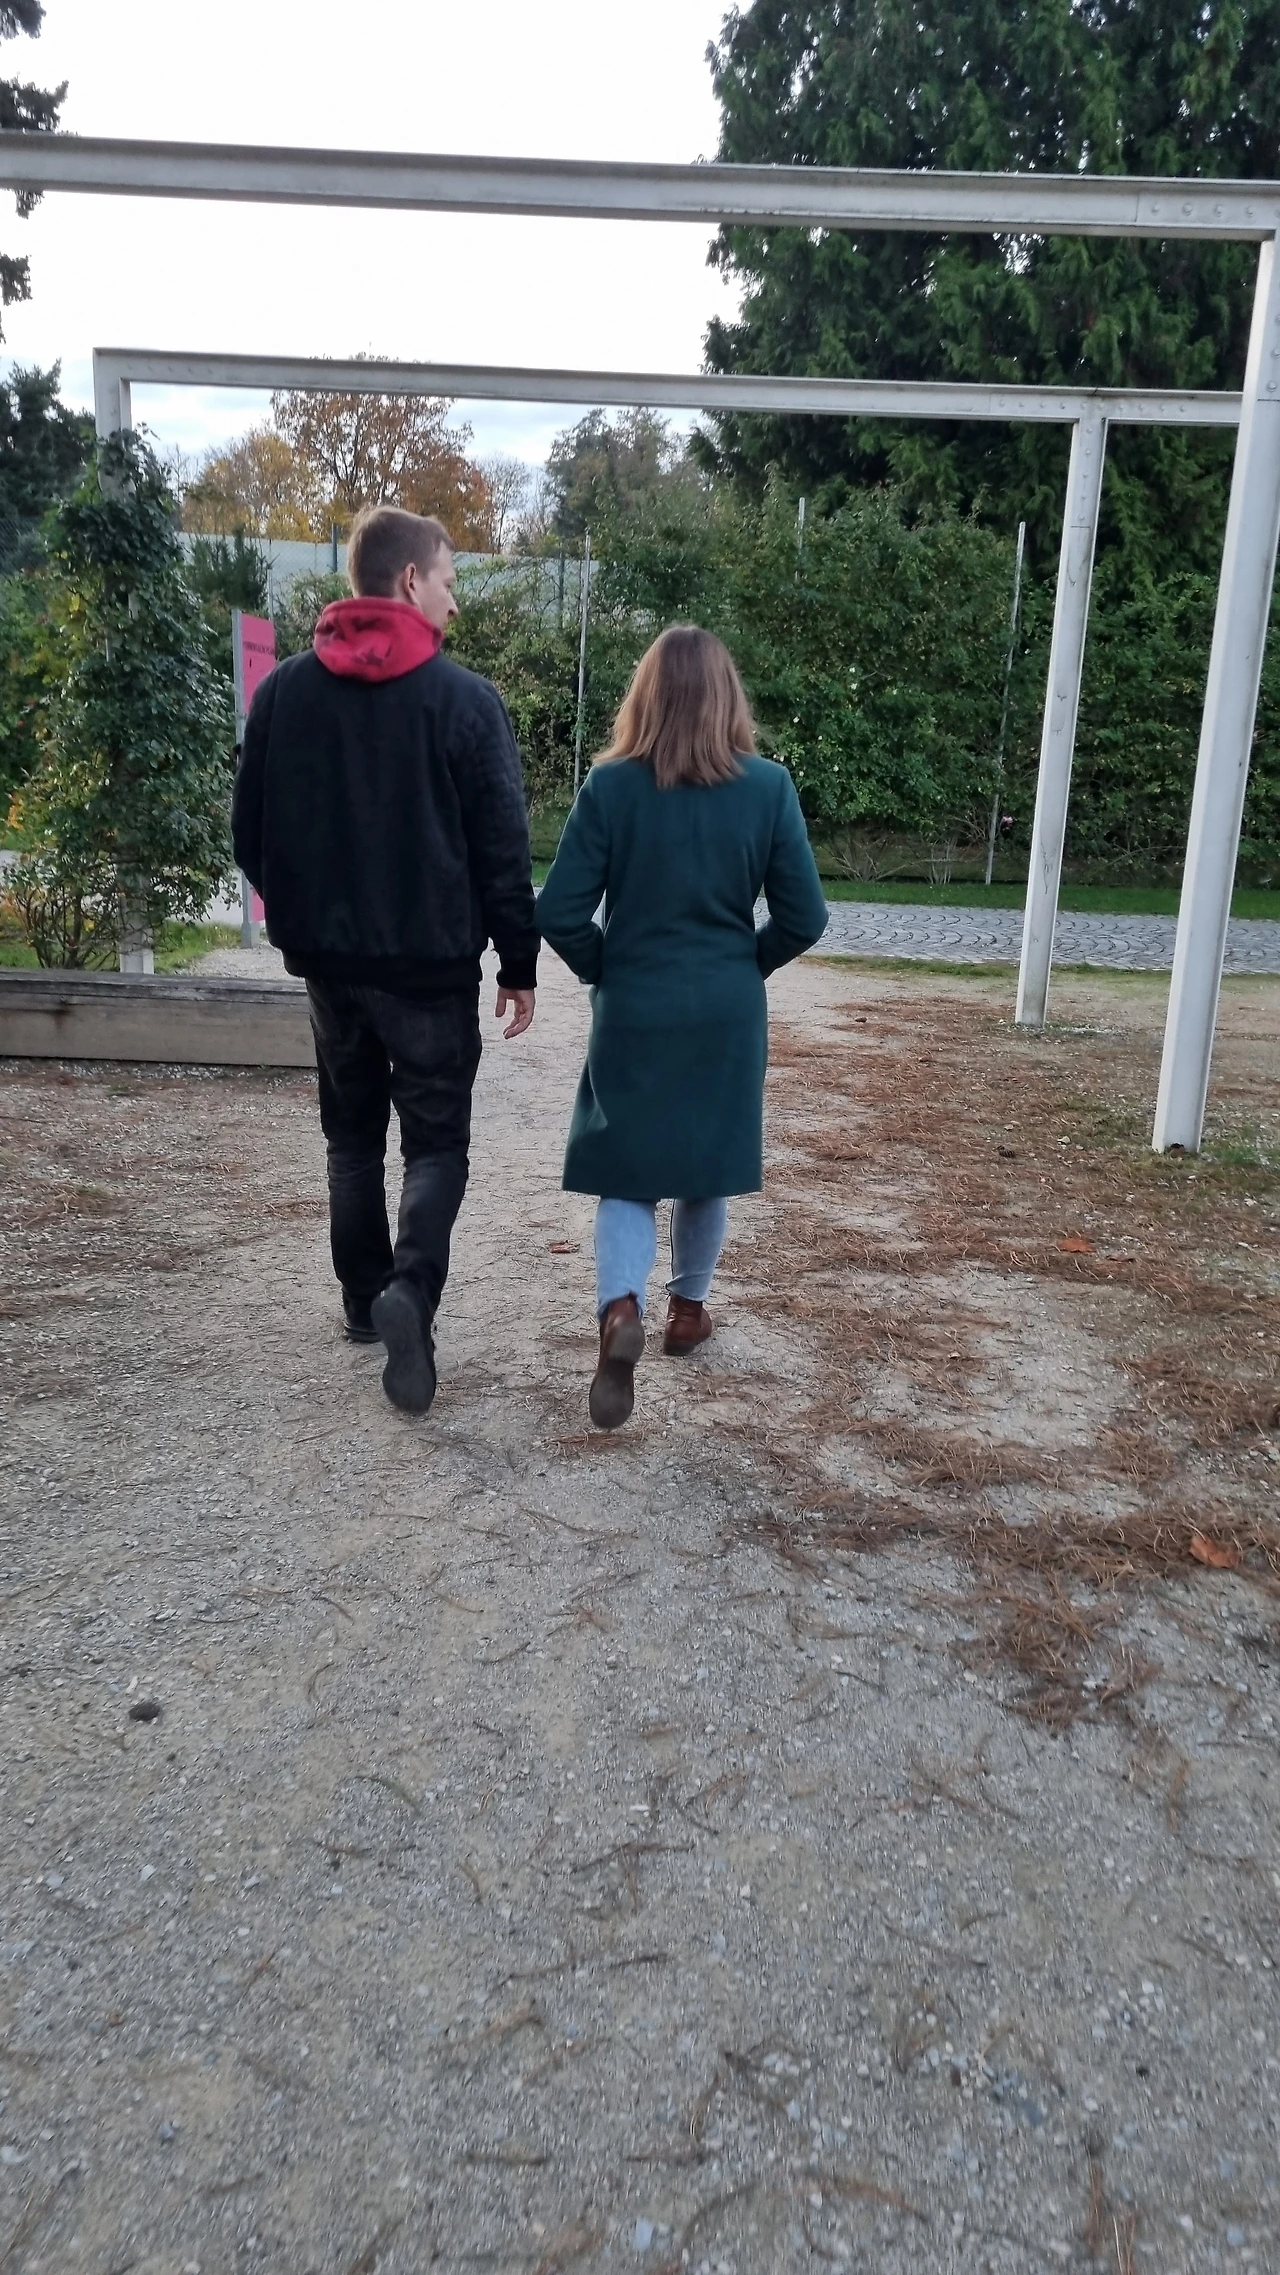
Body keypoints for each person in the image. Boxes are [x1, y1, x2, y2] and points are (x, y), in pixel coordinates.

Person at [232, 505, 538, 1417]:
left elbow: (249, 831)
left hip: (329, 964)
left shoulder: (283, 694)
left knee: (351, 1133)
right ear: (410, 580)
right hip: (429, 966)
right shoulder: (466, 702)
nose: (454, 598)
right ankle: (412, 1288)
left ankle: (366, 1301)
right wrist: (517, 960)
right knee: (436, 1142)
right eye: (448, 578)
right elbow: (502, 847)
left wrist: (302, 911)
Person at [536, 624, 828, 1431]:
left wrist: (605, 966)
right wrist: (747, 963)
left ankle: (619, 1307)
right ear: (729, 700)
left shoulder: (611, 787)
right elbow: (805, 916)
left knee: (627, 1169)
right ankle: (688, 1311)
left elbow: (558, 912)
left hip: (635, 1004)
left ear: (646, 696)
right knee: (708, 1163)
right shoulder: (768, 788)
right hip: (725, 1009)